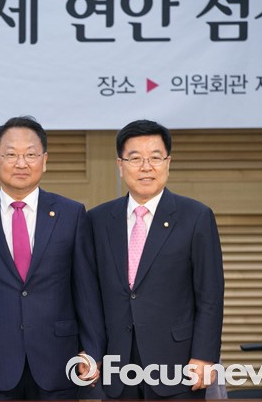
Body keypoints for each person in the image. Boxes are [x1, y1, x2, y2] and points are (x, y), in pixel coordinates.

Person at [0, 116, 106, 400]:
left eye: (31, 154)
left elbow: (86, 290)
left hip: (58, 361)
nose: (21, 163)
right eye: (11, 154)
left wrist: (93, 349)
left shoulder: (71, 214)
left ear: (44, 160)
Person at [88, 119, 224, 399]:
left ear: (168, 163)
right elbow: (89, 295)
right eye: (135, 158)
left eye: (155, 158)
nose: (146, 167)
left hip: (178, 363)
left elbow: (210, 294)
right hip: (117, 362)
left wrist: (204, 356)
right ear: (120, 165)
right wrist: (92, 351)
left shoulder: (195, 217)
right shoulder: (97, 220)